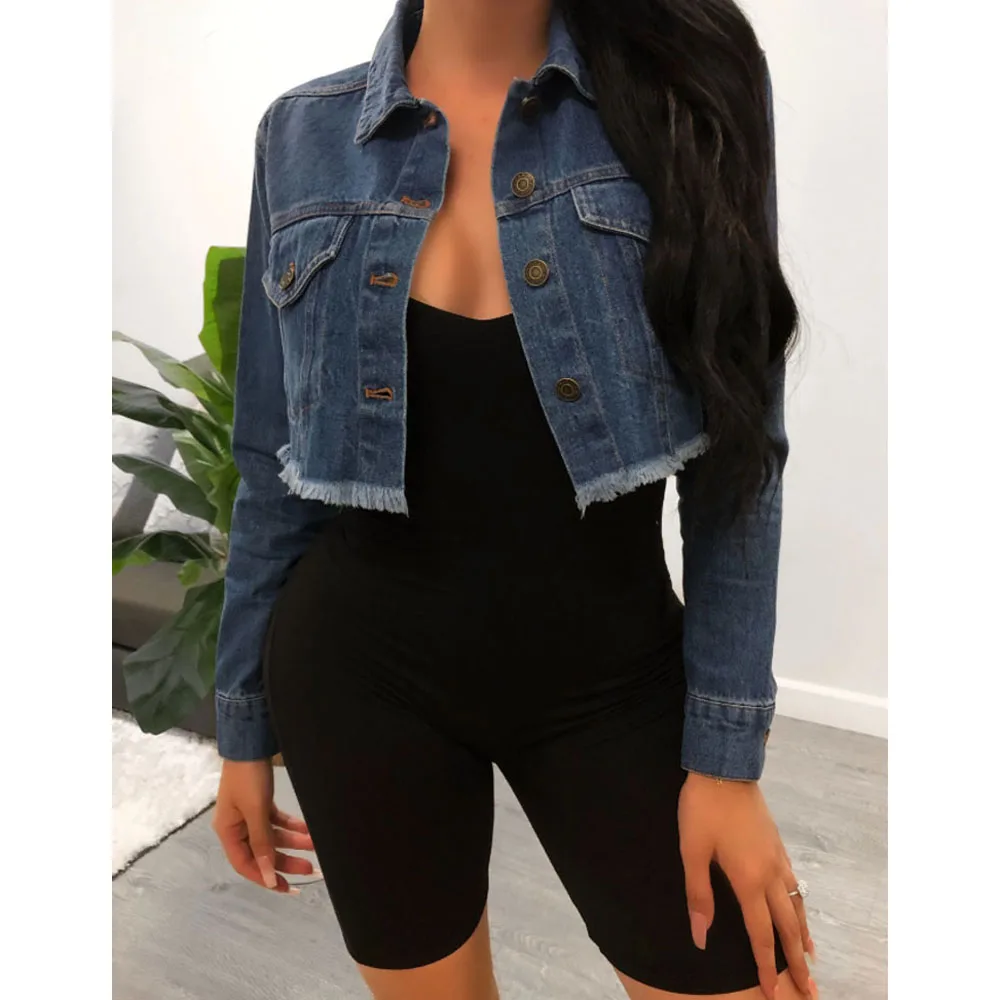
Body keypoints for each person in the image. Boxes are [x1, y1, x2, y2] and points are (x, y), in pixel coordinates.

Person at [210, 1, 816, 998]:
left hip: (614, 683)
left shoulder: (684, 91)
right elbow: (268, 458)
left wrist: (724, 761)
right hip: (359, 678)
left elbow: (740, 460)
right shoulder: (301, 134)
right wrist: (242, 727)